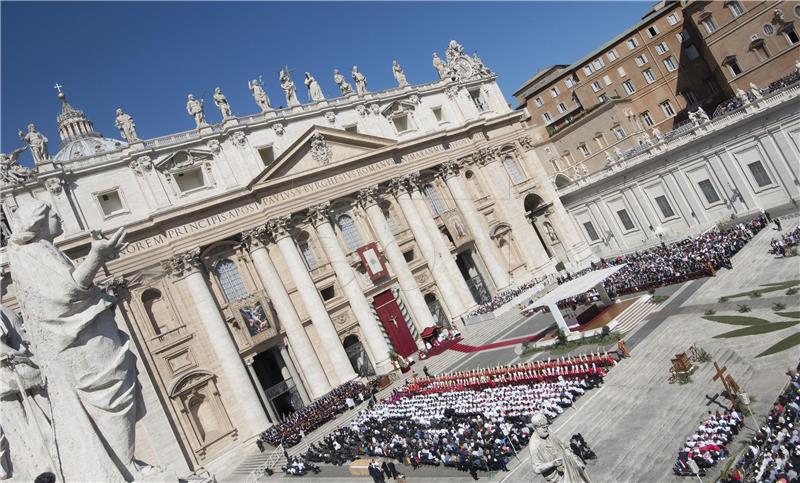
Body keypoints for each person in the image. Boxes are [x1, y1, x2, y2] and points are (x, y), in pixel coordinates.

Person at [528, 413, 590, 482]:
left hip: (569, 465)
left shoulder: (549, 431)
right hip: (560, 476)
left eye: (546, 426)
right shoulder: (534, 444)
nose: (546, 429)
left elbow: (561, 445)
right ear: (536, 428)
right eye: (543, 428)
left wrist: (570, 454)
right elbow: (536, 468)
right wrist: (552, 464)